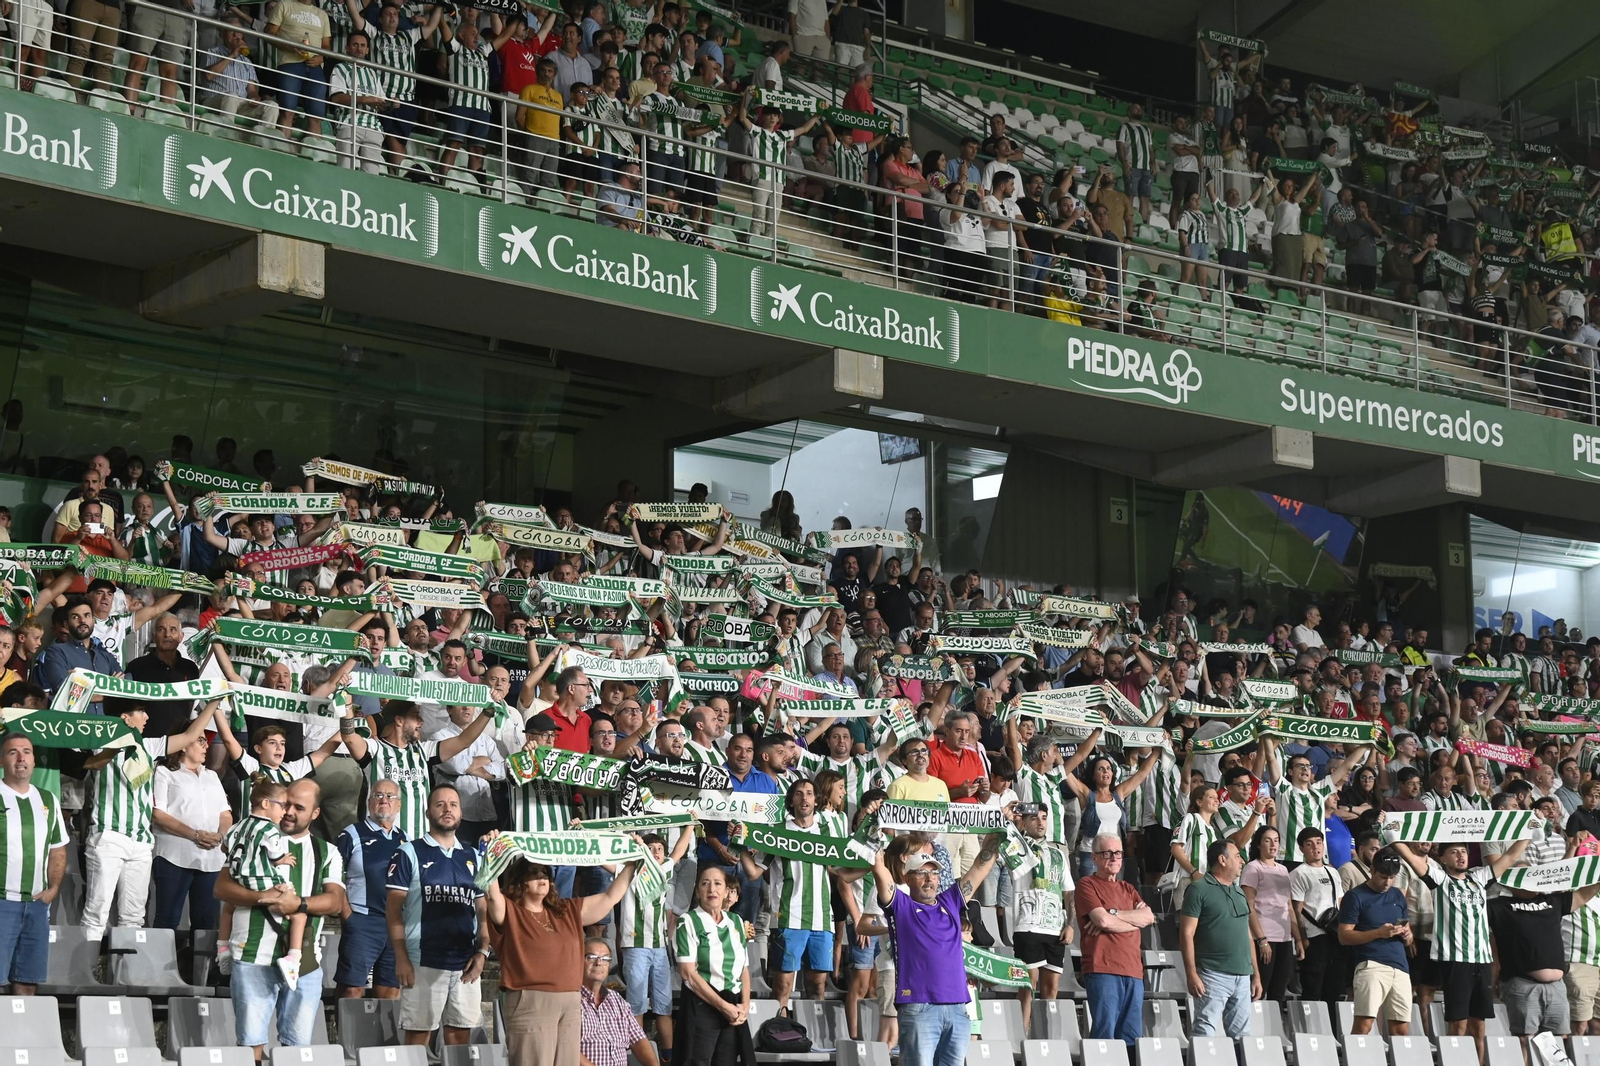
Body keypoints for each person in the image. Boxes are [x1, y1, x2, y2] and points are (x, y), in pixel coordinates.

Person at [216, 779, 347, 1061]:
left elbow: (335, 901)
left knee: (296, 1049)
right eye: (285, 803)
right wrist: (265, 897)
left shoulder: (328, 851)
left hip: (304, 963)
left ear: (315, 813)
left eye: (299, 807)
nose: (288, 811)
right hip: (252, 953)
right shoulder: (254, 837)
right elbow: (221, 889)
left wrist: (296, 903)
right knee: (251, 1045)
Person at [82, 697, 226, 940]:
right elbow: (73, 738)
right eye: (141, 711)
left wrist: (214, 701)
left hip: (140, 842)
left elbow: (190, 736)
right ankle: (83, 972)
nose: (147, 717)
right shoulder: (100, 741)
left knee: (134, 917)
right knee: (97, 913)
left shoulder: (149, 746)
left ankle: (125, 974)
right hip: (108, 836)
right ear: (125, 718)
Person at [487, 853, 640, 1066]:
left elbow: (609, 898)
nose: (542, 877)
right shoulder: (511, 910)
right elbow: (493, 896)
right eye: (534, 873)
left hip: (570, 1000)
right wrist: (491, 856)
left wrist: (633, 863)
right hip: (531, 999)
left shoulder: (566, 910)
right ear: (519, 880)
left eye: (545, 873)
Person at [872, 831, 1004, 1066]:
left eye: (933, 872)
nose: (929, 878)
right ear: (908, 877)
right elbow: (879, 869)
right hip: (919, 1006)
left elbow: (980, 866)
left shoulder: (950, 900)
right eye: (921, 872)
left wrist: (997, 835)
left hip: (957, 1008)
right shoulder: (901, 906)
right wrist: (872, 833)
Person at [1392, 834, 1531, 1056]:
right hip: (1456, 960)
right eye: (1454, 852)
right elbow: (1409, 856)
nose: (1460, 856)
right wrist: (1392, 835)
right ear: (1443, 859)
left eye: (1464, 851)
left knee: (1479, 1025)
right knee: (1458, 1024)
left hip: (1482, 961)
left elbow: (1512, 855)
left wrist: (1529, 831)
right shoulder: (1439, 879)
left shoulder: (1480, 877)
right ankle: (1455, 1060)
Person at [387, 786, 489, 1047]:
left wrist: (483, 952)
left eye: (453, 804)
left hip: (465, 962)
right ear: (428, 812)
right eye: (440, 804)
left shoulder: (473, 857)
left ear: (461, 812)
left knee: (460, 1037)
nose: (447, 809)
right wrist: (401, 957)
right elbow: (393, 910)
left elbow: (482, 910)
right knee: (418, 1037)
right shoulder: (409, 852)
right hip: (423, 960)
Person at [619, 826, 695, 1060]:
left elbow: (680, 850)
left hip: (660, 947)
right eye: (650, 848)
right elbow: (602, 859)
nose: (655, 852)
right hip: (635, 946)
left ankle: (667, 1056)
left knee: (664, 1003)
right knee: (637, 1004)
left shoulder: (664, 869)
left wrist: (690, 825)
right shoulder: (627, 870)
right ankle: (638, 1056)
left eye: (660, 848)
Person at [0, 734, 66, 995]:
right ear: (2, 760)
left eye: (26, 752)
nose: (20, 758)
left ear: (34, 760)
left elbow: (58, 850)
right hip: (3, 902)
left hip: (37, 906)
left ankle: (23, 1036)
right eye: (12, 752)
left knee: (27, 983)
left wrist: (53, 889)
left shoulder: (48, 800)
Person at [1075, 831, 1154, 1046]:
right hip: (1103, 969)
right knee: (1105, 1039)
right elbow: (1103, 922)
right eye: (1107, 853)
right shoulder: (1086, 885)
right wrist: (1129, 921)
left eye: (1118, 853)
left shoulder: (1128, 888)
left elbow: (1148, 917)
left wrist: (1112, 913)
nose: (1114, 858)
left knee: (1131, 1040)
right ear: (1094, 857)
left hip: (1133, 971)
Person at [151, 726, 232, 933]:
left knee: (206, 924)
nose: (207, 746)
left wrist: (220, 835)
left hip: (211, 859)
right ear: (184, 746)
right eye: (201, 741)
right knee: (167, 918)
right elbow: (158, 814)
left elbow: (225, 814)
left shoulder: (212, 776)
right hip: (174, 856)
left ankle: (199, 966)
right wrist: (195, 835)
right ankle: (160, 966)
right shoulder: (164, 772)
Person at [1179, 840, 1262, 1038]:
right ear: (1222, 859)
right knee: (1204, 1031)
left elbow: (1247, 935)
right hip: (1212, 973)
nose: (1242, 861)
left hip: (1242, 976)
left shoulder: (1239, 892)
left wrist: (1256, 974)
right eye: (1237, 856)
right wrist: (1191, 973)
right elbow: (1186, 933)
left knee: (1242, 1036)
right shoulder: (1199, 889)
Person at [675, 865, 753, 1066]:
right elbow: (688, 974)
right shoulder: (688, 921)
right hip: (703, 1005)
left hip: (732, 1005)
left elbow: (743, 968)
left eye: (718, 883)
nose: (712, 889)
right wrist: (723, 1006)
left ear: (727, 891)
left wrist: (744, 1005)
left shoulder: (736, 921)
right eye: (705, 883)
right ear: (697, 891)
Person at [335, 782, 407, 1000]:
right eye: (378, 795)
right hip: (363, 921)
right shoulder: (351, 834)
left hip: (395, 925)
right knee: (351, 989)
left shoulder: (406, 839)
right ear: (369, 803)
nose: (384, 800)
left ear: (399, 805)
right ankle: (345, 1035)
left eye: (390, 796)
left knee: (390, 991)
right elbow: (333, 879)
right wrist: (349, 917)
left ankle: (379, 1036)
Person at [1009, 802, 1075, 1034]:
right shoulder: (1016, 846)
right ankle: (1021, 1039)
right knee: (1028, 986)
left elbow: (1068, 891)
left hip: (1055, 928)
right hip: (1028, 925)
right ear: (1024, 822)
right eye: (1034, 818)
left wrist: (1070, 925)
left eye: (1044, 818)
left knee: (1051, 990)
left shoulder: (1057, 853)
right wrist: (1008, 817)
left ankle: (1046, 1040)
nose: (1040, 822)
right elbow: (999, 836)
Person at [1337, 846, 1413, 1036]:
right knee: (1364, 1024)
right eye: (1382, 876)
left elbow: (1409, 936)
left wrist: (1407, 935)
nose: (1387, 882)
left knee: (1401, 1028)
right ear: (1371, 870)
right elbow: (1344, 936)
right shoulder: (1355, 896)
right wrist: (1378, 933)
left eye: (1391, 877)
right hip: (1370, 964)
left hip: (1400, 966)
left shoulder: (1397, 896)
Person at [1289, 826, 1345, 1020]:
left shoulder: (1333, 872)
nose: (1315, 848)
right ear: (1302, 849)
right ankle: (1312, 1033)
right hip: (1314, 937)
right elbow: (1296, 909)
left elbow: (1339, 903)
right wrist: (1302, 940)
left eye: (1319, 843)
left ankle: (1333, 1035)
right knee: (1313, 988)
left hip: (1334, 937)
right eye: (1309, 844)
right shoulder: (1299, 873)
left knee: (1334, 989)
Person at [581, 937, 659, 1066]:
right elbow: (564, 1046)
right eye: (591, 957)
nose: (599, 963)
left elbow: (639, 1039)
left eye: (605, 959)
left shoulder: (617, 1000)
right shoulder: (570, 1000)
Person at [1241, 825, 1294, 1000]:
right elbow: (1248, 906)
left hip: (1285, 938)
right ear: (1258, 844)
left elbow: (1289, 905)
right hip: (1264, 936)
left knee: (1278, 991)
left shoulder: (1283, 869)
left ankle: (1275, 1027)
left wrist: (1298, 938)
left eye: (1276, 840)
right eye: (1267, 840)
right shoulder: (1252, 868)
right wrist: (1262, 939)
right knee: (1259, 990)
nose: (1273, 844)